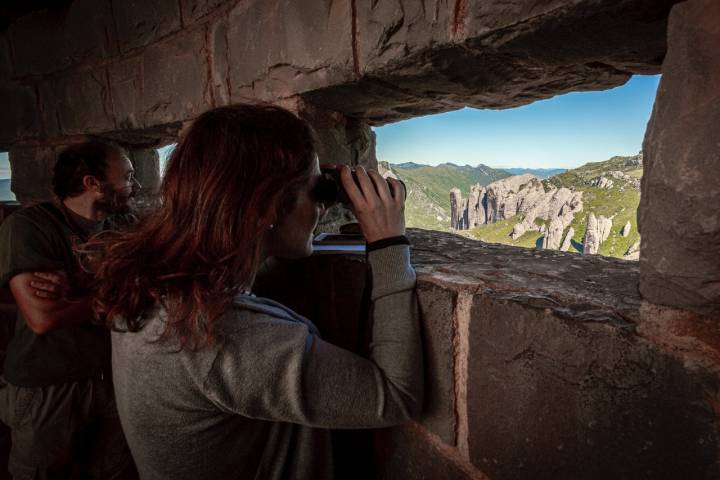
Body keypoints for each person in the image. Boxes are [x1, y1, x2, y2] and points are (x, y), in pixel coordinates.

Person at [91, 104, 423, 480]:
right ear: (267, 207)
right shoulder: (228, 338)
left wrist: (303, 187)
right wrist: (389, 242)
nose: (320, 207)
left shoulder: (153, 286)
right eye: (312, 193)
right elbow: (397, 396)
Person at [0, 140, 140, 479]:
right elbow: (44, 318)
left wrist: (79, 293)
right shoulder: (30, 227)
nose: (135, 185)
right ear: (92, 183)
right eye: (128, 176)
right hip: (47, 385)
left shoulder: (126, 224)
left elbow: (154, 284)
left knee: (113, 470)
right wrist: (122, 291)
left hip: (110, 377)